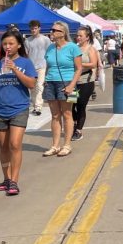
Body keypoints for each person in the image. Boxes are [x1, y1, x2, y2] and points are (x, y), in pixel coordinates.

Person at [0, 30, 37, 196]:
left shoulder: (25, 63)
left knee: (15, 144)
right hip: (0, 109)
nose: (7, 47)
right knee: (4, 147)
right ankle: (6, 178)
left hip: (19, 108)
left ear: (18, 45)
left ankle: (14, 181)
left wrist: (15, 70)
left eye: (11, 44)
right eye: (5, 44)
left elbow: (31, 84)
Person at [42, 21, 81, 156]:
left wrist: (71, 86)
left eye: (55, 30)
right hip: (51, 82)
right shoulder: (50, 48)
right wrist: (45, 79)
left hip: (68, 82)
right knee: (55, 115)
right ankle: (55, 145)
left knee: (67, 114)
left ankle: (67, 145)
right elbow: (48, 66)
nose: (52, 32)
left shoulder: (73, 47)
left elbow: (79, 69)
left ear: (63, 33)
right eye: (51, 30)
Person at [71, 26, 100, 141]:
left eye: (80, 36)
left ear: (87, 37)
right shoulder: (74, 48)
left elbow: (93, 64)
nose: (78, 37)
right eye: (77, 35)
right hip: (74, 81)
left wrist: (80, 65)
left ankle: (79, 130)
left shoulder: (90, 49)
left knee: (81, 105)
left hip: (86, 82)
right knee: (72, 105)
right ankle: (74, 125)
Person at [25, 20, 48, 116]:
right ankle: (35, 105)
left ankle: (38, 107)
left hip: (42, 66)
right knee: (33, 88)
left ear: (39, 28)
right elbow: (26, 54)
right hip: (31, 67)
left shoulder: (45, 39)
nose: (33, 30)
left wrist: (48, 66)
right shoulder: (27, 41)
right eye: (32, 28)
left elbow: (49, 52)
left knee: (39, 86)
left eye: (35, 28)